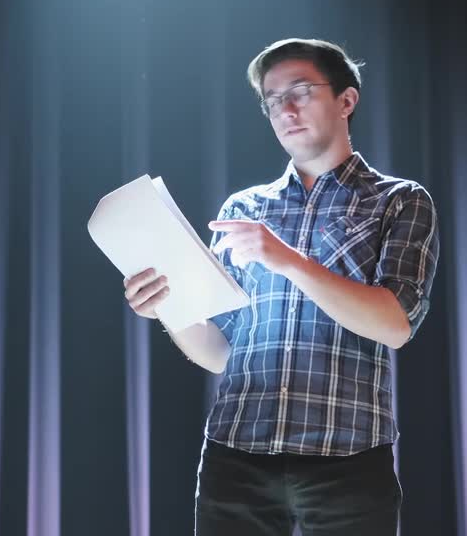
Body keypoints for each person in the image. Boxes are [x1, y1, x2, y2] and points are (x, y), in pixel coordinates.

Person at [122, 38, 439, 535]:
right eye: (272, 100)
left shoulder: (398, 201)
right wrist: (167, 308)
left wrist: (289, 260)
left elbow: (395, 324)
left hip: (347, 460)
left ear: (346, 100)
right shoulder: (243, 209)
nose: (285, 109)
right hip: (237, 455)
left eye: (301, 91)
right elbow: (222, 352)